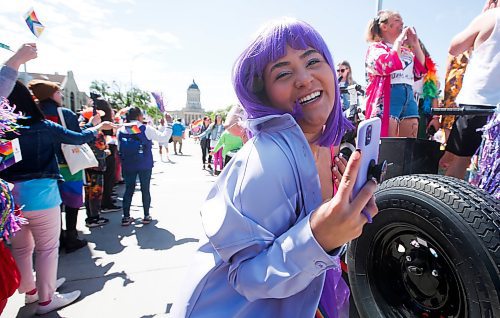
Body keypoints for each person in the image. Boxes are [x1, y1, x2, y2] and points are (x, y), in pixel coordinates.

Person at [173, 18, 377, 318]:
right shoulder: (267, 159)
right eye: (283, 72)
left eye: (313, 60)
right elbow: (246, 277)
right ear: (262, 94)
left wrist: (343, 218)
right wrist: (321, 237)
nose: (305, 78)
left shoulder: (322, 147)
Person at [0, 81, 114, 315]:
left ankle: (31, 291)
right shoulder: (42, 126)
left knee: (22, 249)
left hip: (13, 199)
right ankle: (46, 299)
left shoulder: (6, 130)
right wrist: (98, 127)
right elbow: (77, 138)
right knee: (47, 249)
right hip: (43, 196)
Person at [28, 79, 90, 253]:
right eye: (58, 92)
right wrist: (93, 127)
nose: (61, 95)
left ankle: (56, 238)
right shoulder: (65, 113)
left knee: (53, 205)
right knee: (72, 203)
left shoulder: (32, 113)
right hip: (68, 165)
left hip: (43, 168)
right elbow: (77, 137)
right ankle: (71, 238)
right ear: (50, 94)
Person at [440, 4, 499, 179]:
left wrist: (482, 17)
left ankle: (446, 204)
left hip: (478, 101)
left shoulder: (491, 16)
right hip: (495, 105)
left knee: (457, 164)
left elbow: (455, 48)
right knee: (493, 170)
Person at [364, 10, 427, 138]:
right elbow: (386, 64)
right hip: (389, 96)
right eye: (397, 20)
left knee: (409, 142)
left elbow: (419, 71)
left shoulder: (406, 51)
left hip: (408, 94)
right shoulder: (376, 48)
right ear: (384, 26)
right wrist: (398, 41)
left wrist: (415, 43)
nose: (402, 23)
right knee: (388, 143)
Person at [117, 106, 173, 226]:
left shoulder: (121, 130)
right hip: (144, 163)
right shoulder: (145, 128)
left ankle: (126, 217)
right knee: (145, 189)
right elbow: (164, 138)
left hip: (128, 164)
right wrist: (169, 124)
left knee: (128, 190)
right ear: (139, 116)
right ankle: (146, 215)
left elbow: (119, 147)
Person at [210, 105, 247, 169]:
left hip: (228, 154)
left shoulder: (225, 133)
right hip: (239, 154)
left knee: (227, 171)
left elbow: (220, 143)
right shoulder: (242, 132)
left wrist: (214, 151)